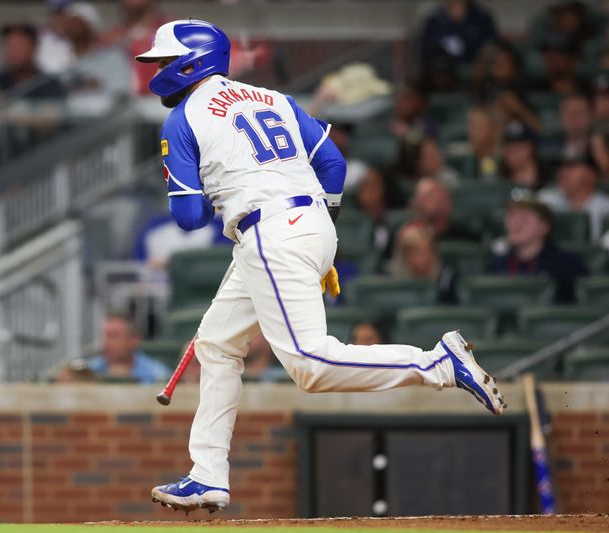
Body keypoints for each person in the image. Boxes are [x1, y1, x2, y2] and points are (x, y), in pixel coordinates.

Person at [137, 19, 505, 514]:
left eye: (163, 60)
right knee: (216, 344)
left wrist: (213, 191)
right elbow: (332, 165)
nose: (157, 70)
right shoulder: (273, 98)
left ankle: (436, 364)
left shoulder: (182, 118)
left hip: (268, 233)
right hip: (305, 221)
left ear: (190, 61)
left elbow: (186, 218)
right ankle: (207, 476)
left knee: (311, 365)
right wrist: (314, 232)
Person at [488, 199, 587, 302]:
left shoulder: (567, 264)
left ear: (544, 227)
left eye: (523, 219)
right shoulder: (496, 264)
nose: (514, 225)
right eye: (511, 217)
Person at [538, 158, 609, 243]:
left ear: (591, 175)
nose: (564, 172)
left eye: (572, 168)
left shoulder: (606, 207)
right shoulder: (546, 198)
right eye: (564, 167)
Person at [86, 313, 171, 383]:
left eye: (113, 336)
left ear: (134, 340)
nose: (106, 343)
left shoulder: (158, 375)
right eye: (105, 336)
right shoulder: (88, 372)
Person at [0, 24, 65, 100]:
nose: (13, 52)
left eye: (18, 46)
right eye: (9, 46)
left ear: (33, 48)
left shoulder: (49, 85)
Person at [391, 224, 458, 303]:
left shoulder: (448, 279)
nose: (423, 258)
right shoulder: (394, 280)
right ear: (406, 256)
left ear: (434, 254)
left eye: (427, 252)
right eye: (417, 253)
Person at [420, 0, 496, 68]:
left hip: (474, 75)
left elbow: (492, 51)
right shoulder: (433, 22)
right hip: (442, 75)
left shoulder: (483, 19)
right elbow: (426, 55)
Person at [500, 120, 548, 191]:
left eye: (520, 147)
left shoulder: (548, 177)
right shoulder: (499, 176)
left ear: (531, 148)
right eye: (509, 147)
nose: (513, 152)